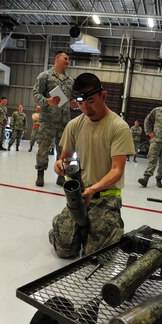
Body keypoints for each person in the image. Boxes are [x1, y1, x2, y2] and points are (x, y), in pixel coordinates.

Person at [49, 72, 135, 258]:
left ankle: (110, 225)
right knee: (64, 249)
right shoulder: (74, 125)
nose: (86, 109)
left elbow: (117, 171)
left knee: (95, 255)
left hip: (105, 196)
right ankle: (75, 229)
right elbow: (64, 159)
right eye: (80, 103)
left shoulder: (118, 127)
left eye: (91, 101)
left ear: (103, 96)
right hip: (79, 196)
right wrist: (59, 166)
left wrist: (93, 189)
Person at [32, 51, 74, 187]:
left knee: (63, 150)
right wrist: (47, 101)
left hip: (64, 121)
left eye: (68, 59)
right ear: (57, 58)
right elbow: (35, 94)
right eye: (65, 58)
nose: (67, 61)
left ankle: (61, 176)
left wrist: (73, 104)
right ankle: (40, 174)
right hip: (48, 120)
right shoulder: (45, 76)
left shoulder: (70, 81)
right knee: (43, 147)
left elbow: (69, 100)